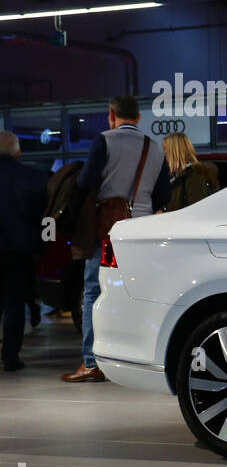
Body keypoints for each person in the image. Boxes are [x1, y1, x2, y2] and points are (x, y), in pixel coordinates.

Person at [62, 96, 170, 382]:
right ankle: (138, 359)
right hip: (143, 231)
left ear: (112, 115)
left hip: (109, 229)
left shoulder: (104, 140)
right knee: (142, 293)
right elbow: (163, 196)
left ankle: (91, 363)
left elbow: (85, 183)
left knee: (94, 291)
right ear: (138, 117)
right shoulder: (155, 148)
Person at [0, 131, 49, 371]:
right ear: (18, 152)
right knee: (15, 306)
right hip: (19, 253)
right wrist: (41, 248)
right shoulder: (35, 179)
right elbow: (44, 221)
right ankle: (10, 357)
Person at [161, 133, 219, 211]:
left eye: (165, 149)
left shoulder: (194, 174)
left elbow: (196, 210)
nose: (163, 153)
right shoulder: (175, 175)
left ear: (175, 151)